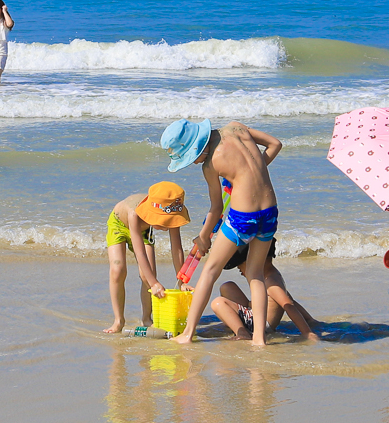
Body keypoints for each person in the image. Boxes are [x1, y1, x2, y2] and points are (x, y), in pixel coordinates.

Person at [159, 118, 281, 346]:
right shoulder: (237, 128)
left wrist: (203, 237)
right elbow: (275, 144)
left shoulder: (210, 165)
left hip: (243, 218)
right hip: (270, 212)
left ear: (197, 147)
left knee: (210, 271)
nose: (195, 163)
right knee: (255, 274)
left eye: (191, 158)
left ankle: (187, 333)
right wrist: (252, 175)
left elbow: (216, 209)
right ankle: (259, 339)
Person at [103, 181, 190, 335]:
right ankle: (118, 320)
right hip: (119, 224)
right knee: (118, 269)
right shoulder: (134, 213)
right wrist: (154, 283)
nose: (166, 227)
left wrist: (182, 281)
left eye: (168, 222)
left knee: (147, 275)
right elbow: (140, 251)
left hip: (144, 230)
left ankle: (146, 318)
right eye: (163, 222)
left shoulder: (172, 208)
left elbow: (176, 249)